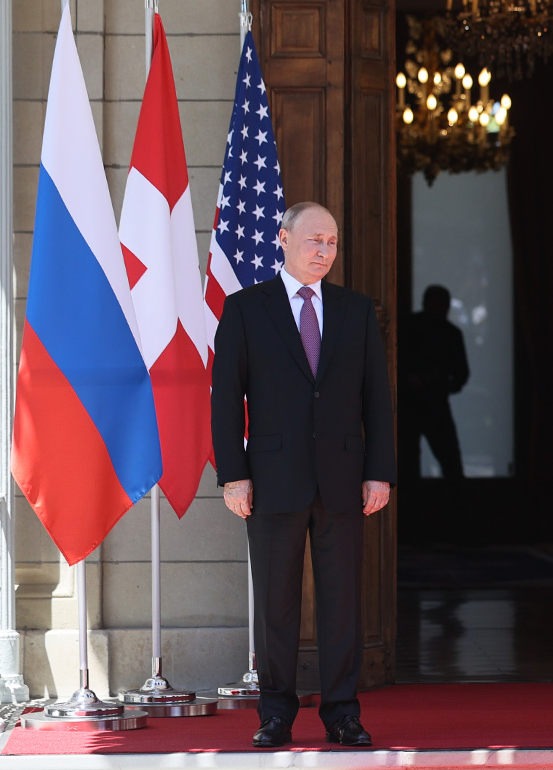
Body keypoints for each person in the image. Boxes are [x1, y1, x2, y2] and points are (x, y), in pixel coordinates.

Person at [212, 201, 396, 749]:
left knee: (342, 605)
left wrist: (379, 472)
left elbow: (376, 400)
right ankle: (275, 715)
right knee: (276, 604)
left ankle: (343, 714)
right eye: (314, 239)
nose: (324, 251)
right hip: (271, 479)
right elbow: (226, 398)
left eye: (333, 242)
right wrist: (233, 474)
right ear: (284, 239)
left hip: (344, 478)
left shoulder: (355, 310)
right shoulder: (246, 308)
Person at [400, 284, 469, 485]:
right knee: (410, 464)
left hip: (429, 404)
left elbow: (461, 375)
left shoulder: (446, 332)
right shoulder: (413, 328)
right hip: (416, 405)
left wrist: (440, 383)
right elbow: (461, 375)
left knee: (447, 463)